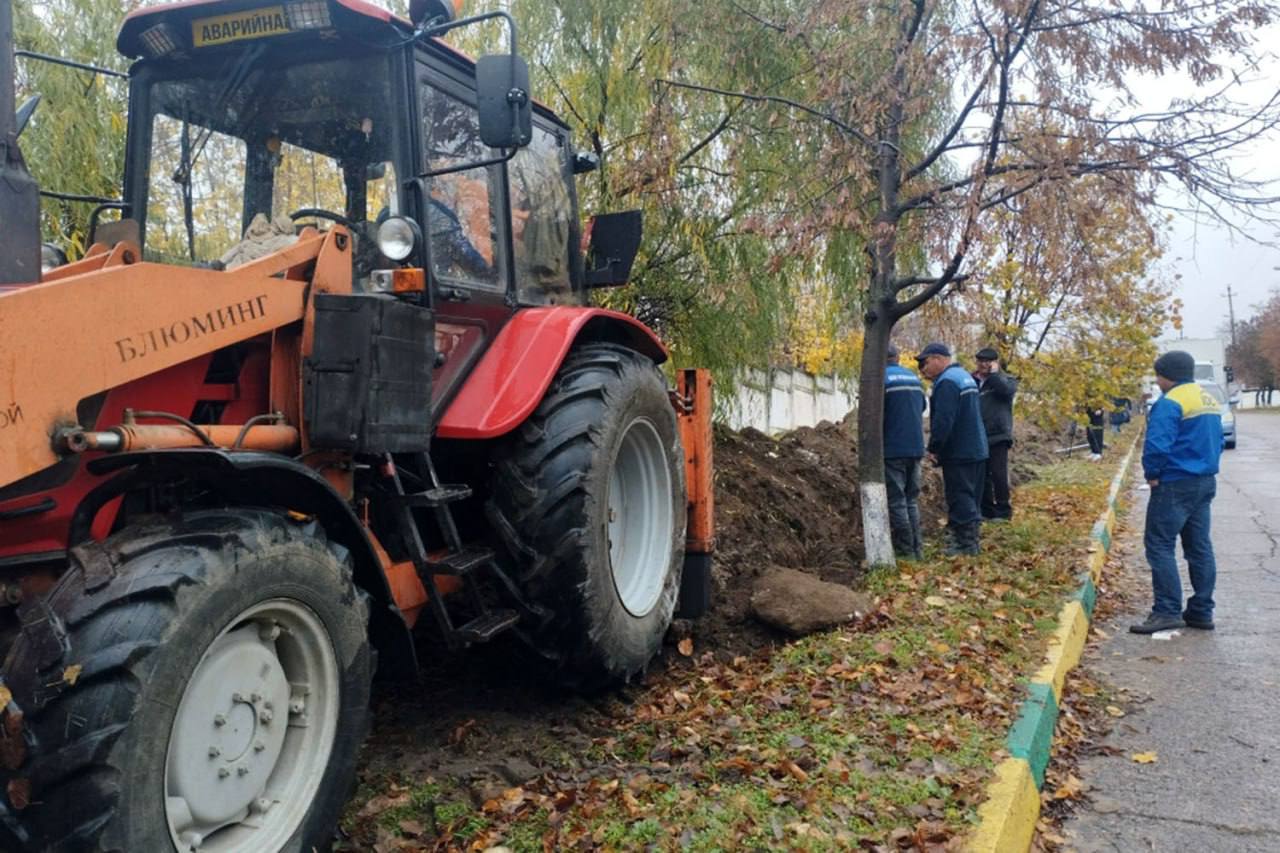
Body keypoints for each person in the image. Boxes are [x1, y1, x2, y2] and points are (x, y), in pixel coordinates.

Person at [1131, 350, 1223, 634]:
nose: (1157, 382)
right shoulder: (1208, 399)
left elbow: (1157, 444)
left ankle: (1167, 611)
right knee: (1199, 547)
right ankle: (1201, 611)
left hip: (1174, 483)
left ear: (1166, 376)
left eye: (1158, 376)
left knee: (1159, 545)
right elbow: (1218, 441)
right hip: (1204, 482)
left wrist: (1152, 474)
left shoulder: (1170, 402)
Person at [916, 342, 988, 555]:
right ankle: (970, 539)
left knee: (960, 497)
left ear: (938, 359)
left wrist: (934, 448)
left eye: (925, 364)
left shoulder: (947, 382)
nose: (923, 370)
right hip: (977, 447)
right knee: (972, 496)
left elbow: (943, 421)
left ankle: (965, 545)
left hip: (959, 451)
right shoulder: (964, 376)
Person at [883, 343, 927, 559]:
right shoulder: (914, 378)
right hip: (916, 447)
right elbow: (922, 407)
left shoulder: (879, 379)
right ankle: (918, 549)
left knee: (897, 501)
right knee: (911, 500)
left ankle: (905, 551)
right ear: (898, 358)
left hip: (893, 449)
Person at [972, 347, 1018, 522]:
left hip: (998, 434)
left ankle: (1003, 511)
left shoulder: (1006, 380)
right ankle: (987, 510)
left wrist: (994, 375)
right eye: (980, 361)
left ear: (995, 363)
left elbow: (1006, 391)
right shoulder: (972, 380)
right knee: (982, 474)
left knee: (998, 474)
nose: (983, 364)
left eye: (987, 361)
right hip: (978, 434)